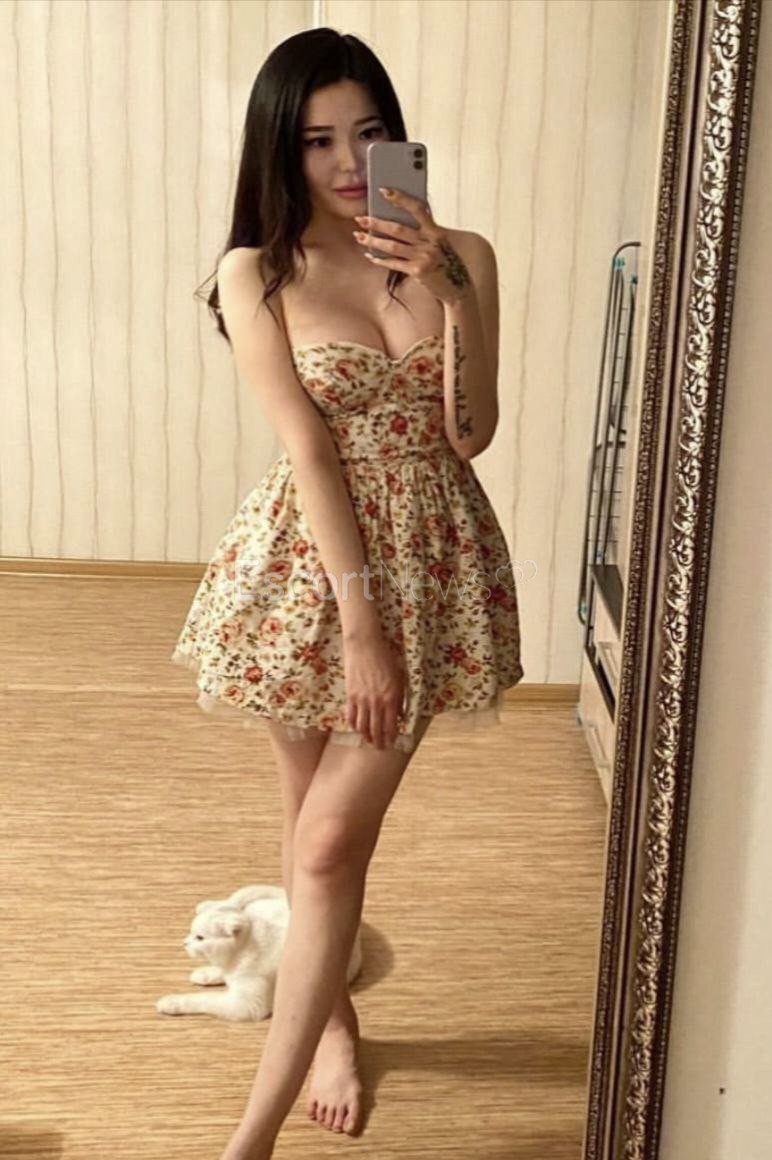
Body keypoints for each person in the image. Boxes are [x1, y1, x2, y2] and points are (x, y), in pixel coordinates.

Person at [170, 27, 524, 1160]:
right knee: (307, 824)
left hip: (431, 563)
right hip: (308, 568)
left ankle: (253, 1132)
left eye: (366, 134)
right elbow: (310, 451)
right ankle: (329, 1023)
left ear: (396, 136)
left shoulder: (461, 253)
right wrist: (360, 625)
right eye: (316, 140)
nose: (343, 162)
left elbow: (469, 434)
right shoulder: (259, 271)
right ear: (280, 150)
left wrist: (452, 291)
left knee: (325, 845)